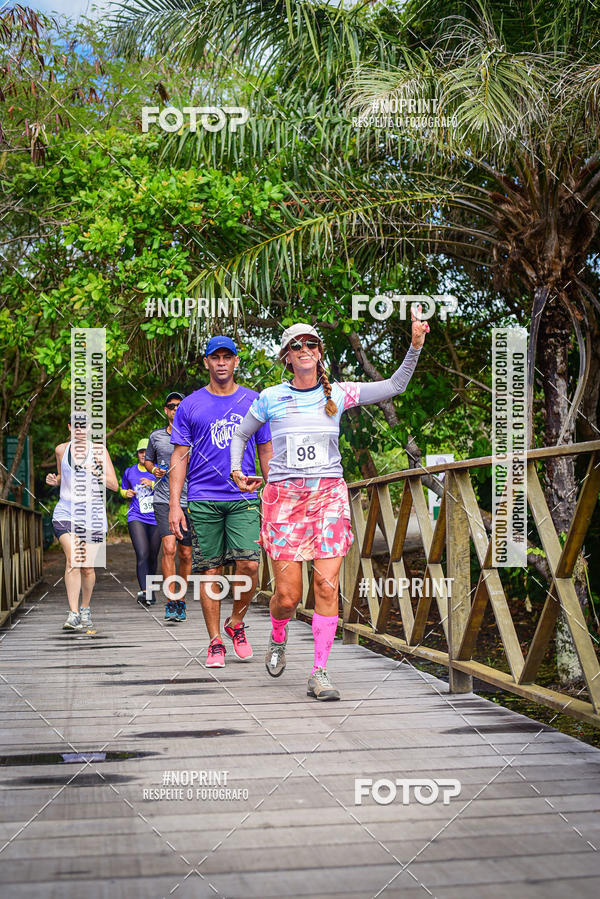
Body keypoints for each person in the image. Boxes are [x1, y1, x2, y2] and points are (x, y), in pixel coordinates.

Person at [230, 307, 429, 700]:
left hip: (328, 496)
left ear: (319, 352)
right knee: (286, 596)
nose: (304, 349)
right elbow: (240, 435)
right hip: (284, 499)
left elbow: (396, 385)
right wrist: (238, 470)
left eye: (311, 343)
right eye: (295, 345)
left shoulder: (338, 392)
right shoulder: (270, 398)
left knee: (325, 585)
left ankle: (319, 671)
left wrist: (415, 346)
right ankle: (277, 634)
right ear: (286, 356)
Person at [169, 335, 272, 668]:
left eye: (228, 357)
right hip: (203, 498)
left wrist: (271, 492)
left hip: (244, 496)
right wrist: (174, 505)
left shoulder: (254, 401)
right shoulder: (190, 405)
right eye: (216, 357)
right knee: (209, 569)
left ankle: (236, 623)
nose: (222, 362)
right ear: (207, 363)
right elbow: (179, 457)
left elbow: (265, 450)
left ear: (236, 361)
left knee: (250, 565)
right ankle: (215, 641)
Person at [47, 413, 118, 632]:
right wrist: (54, 480)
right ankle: (73, 613)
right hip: (66, 511)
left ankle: (85, 608)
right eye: (75, 426)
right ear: (69, 428)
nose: (79, 430)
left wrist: (96, 472)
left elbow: (114, 485)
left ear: (89, 429)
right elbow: (61, 476)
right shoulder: (61, 450)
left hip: (92, 514)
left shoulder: (99, 451)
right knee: (73, 559)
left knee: (87, 567)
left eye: (83, 426)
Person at [145, 392, 193, 623]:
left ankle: (181, 599)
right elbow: (148, 460)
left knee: (185, 553)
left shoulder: (195, 435)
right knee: (169, 548)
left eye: (179, 406)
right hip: (164, 499)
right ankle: (171, 600)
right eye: (171, 406)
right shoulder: (156, 436)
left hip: (190, 500)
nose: (175, 409)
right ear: (166, 410)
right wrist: (153, 470)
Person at [120, 438, 160, 606]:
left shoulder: (159, 471)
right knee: (142, 553)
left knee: (153, 555)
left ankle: (150, 590)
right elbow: (122, 489)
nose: (144, 454)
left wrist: (152, 483)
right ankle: (145, 592)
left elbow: (171, 488)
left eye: (146, 451)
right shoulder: (130, 471)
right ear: (137, 454)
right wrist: (125, 493)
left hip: (157, 517)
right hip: (137, 516)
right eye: (141, 451)